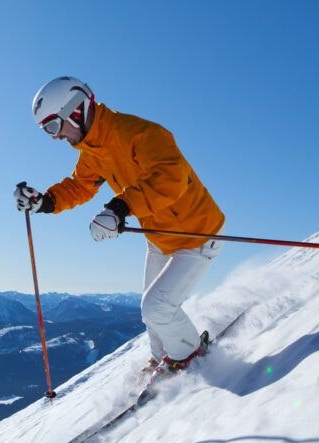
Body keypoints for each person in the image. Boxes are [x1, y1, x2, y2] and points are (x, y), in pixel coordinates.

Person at [14, 76, 225, 375]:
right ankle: (163, 360)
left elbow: (172, 177)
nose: (54, 137)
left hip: (196, 233)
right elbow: (80, 186)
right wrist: (44, 201)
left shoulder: (139, 133)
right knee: (151, 315)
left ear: (75, 110)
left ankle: (192, 356)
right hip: (159, 237)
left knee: (157, 308)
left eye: (52, 126)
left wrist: (120, 207)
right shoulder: (93, 151)